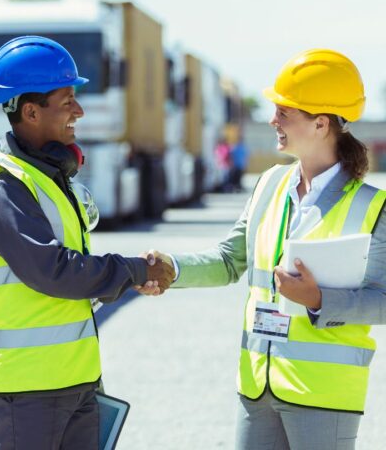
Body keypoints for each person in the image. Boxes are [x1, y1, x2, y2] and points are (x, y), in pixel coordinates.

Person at [139, 49, 386, 449]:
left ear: (321, 123)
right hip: (257, 388)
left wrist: (319, 300)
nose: (272, 120)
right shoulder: (270, 185)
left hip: (322, 395)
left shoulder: (372, 207)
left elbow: (382, 299)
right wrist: (170, 268)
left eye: (284, 112)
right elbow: (229, 260)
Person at [0, 35, 174, 450]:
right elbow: (53, 271)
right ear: (30, 111)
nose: (78, 111)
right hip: (28, 388)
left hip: (73, 378)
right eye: (67, 101)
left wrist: (125, 278)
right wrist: (134, 270)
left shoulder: (46, 177)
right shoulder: (4, 188)